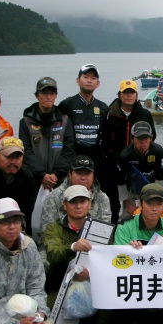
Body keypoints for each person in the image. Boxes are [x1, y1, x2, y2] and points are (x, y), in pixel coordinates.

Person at [112, 183, 163, 324]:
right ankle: (133, 316)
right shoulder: (125, 226)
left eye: (158, 204)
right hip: (135, 278)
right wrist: (128, 249)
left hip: (162, 278)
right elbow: (117, 260)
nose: (154, 208)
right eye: (149, 203)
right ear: (140, 204)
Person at [58, 64, 117, 224]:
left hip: (96, 160)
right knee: (72, 196)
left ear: (98, 83)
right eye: (85, 77)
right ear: (78, 81)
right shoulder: (67, 104)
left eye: (93, 78)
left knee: (96, 195)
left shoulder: (102, 107)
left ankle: (98, 226)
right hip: (73, 159)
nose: (89, 81)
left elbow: (107, 136)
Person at [20, 77, 75, 190]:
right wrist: (41, 174)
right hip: (34, 179)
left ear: (56, 95)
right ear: (37, 95)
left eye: (52, 93)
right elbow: (26, 150)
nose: (48, 97)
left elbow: (69, 150)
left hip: (59, 180)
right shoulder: (25, 122)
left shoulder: (65, 121)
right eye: (44, 93)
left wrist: (56, 174)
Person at [40, 155, 111, 235]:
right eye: (79, 173)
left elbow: (104, 232)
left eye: (87, 173)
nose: (83, 178)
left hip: (92, 245)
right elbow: (47, 232)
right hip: (59, 244)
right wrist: (73, 246)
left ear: (93, 175)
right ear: (69, 174)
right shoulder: (53, 197)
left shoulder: (102, 198)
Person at [43, 185, 93, 296]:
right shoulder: (53, 228)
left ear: (89, 204)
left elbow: (107, 258)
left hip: (93, 288)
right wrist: (72, 247)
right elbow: (52, 253)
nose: (78, 206)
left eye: (82, 201)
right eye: (73, 202)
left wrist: (90, 272)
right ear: (64, 205)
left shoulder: (100, 228)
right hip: (59, 287)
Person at [116, 121, 163, 219]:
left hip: (153, 190)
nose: (143, 142)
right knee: (128, 219)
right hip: (132, 193)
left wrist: (157, 199)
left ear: (151, 138)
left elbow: (161, 176)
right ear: (132, 139)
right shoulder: (124, 155)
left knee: (154, 217)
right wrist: (127, 203)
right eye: (139, 138)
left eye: (146, 138)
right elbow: (120, 181)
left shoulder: (158, 151)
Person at [104, 79, 156, 158]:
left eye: (132, 92)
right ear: (119, 95)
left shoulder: (145, 114)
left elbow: (152, 136)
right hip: (115, 161)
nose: (129, 95)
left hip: (139, 159)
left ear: (136, 95)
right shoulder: (110, 114)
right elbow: (105, 139)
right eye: (125, 92)